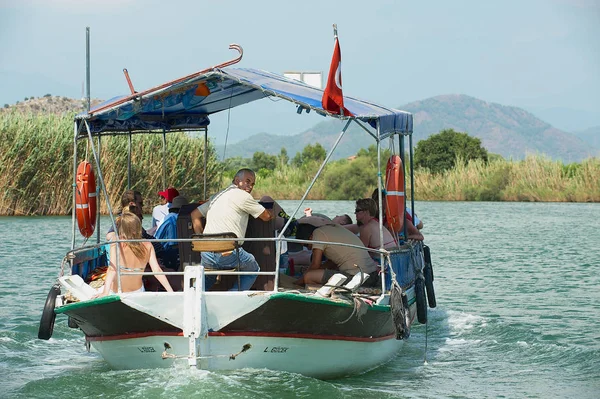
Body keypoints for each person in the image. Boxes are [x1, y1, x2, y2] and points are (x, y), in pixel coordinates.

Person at [191, 168, 274, 291]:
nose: (250, 186)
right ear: (236, 180)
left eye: (252, 184)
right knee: (253, 269)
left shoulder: (217, 196)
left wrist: (201, 238)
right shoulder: (243, 196)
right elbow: (266, 216)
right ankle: (233, 295)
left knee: (209, 277)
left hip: (206, 252)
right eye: (247, 181)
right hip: (228, 253)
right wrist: (273, 212)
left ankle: (193, 293)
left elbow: (194, 214)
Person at [98, 212, 174, 296]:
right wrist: (170, 292)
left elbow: (112, 269)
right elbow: (157, 270)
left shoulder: (116, 242)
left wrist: (105, 292)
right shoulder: (148, 244)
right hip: (138, 292)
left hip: (116, 291)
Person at [294, 218, 380, 288]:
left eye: (306, 244)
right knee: (313, 274)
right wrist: (320, 269)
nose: (308, 249)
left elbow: (315, 264)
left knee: (309, 277)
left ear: (310, 237)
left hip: (356, 278)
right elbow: (332, 262)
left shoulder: (317, 233)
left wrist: (298, 282)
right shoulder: (334, 228)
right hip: (372, 275)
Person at [154, 195, 189, 270]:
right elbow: (173, 245)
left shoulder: (170, 217)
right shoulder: (173, 221)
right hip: (162, 254)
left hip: (161, 251)